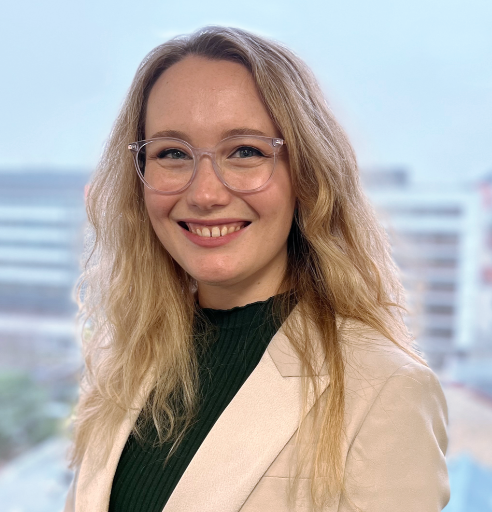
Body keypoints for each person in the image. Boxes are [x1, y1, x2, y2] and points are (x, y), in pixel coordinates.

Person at [64, 26, 450, 512]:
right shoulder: (126, 363)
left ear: (307, 175)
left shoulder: (386, 389)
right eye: (172, 153)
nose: (205, 194)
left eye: (245, 151)